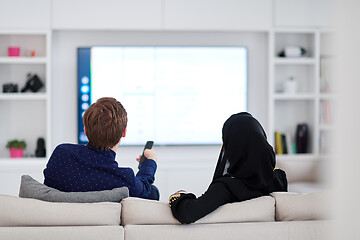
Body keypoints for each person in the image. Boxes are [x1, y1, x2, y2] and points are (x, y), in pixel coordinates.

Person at [169, 112, 287, 223]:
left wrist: (178, 196)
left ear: (231, 149)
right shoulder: (279, 179)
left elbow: (188, 213)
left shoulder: (226, 187)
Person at [43, 97, 159, 200]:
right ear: (124, 132)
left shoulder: (61, 154)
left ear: (85, 130)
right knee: (152, 192)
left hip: (61, 220)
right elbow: (144, 187)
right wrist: (150, 162)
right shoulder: (123, 179)